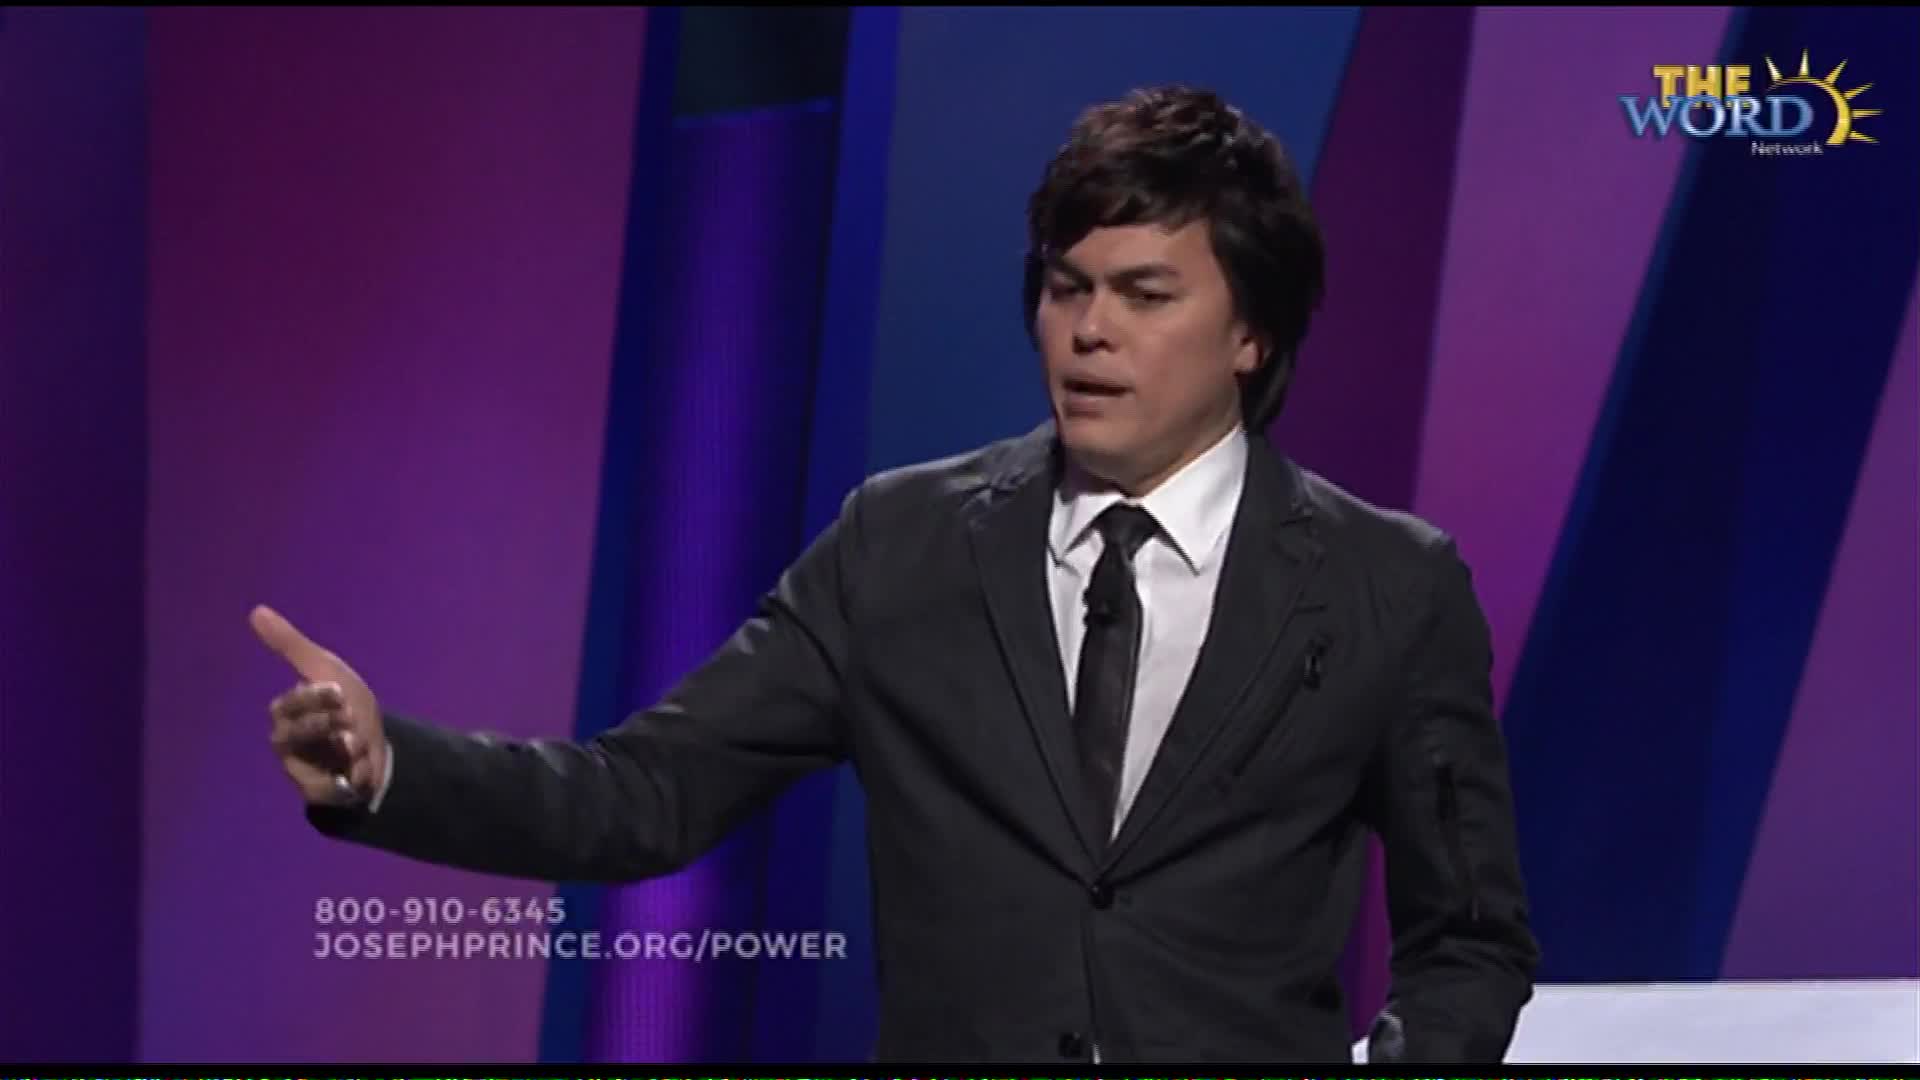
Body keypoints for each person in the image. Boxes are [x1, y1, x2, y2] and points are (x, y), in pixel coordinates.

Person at [255, 84, 1539, 1064]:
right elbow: (645, 794)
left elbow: (1471, 939)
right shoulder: (903, 544)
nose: (1090, 331)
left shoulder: (1388, 586)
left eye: (1145, 296)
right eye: (1067, 288)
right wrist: (388, 766)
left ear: (1250, 331)